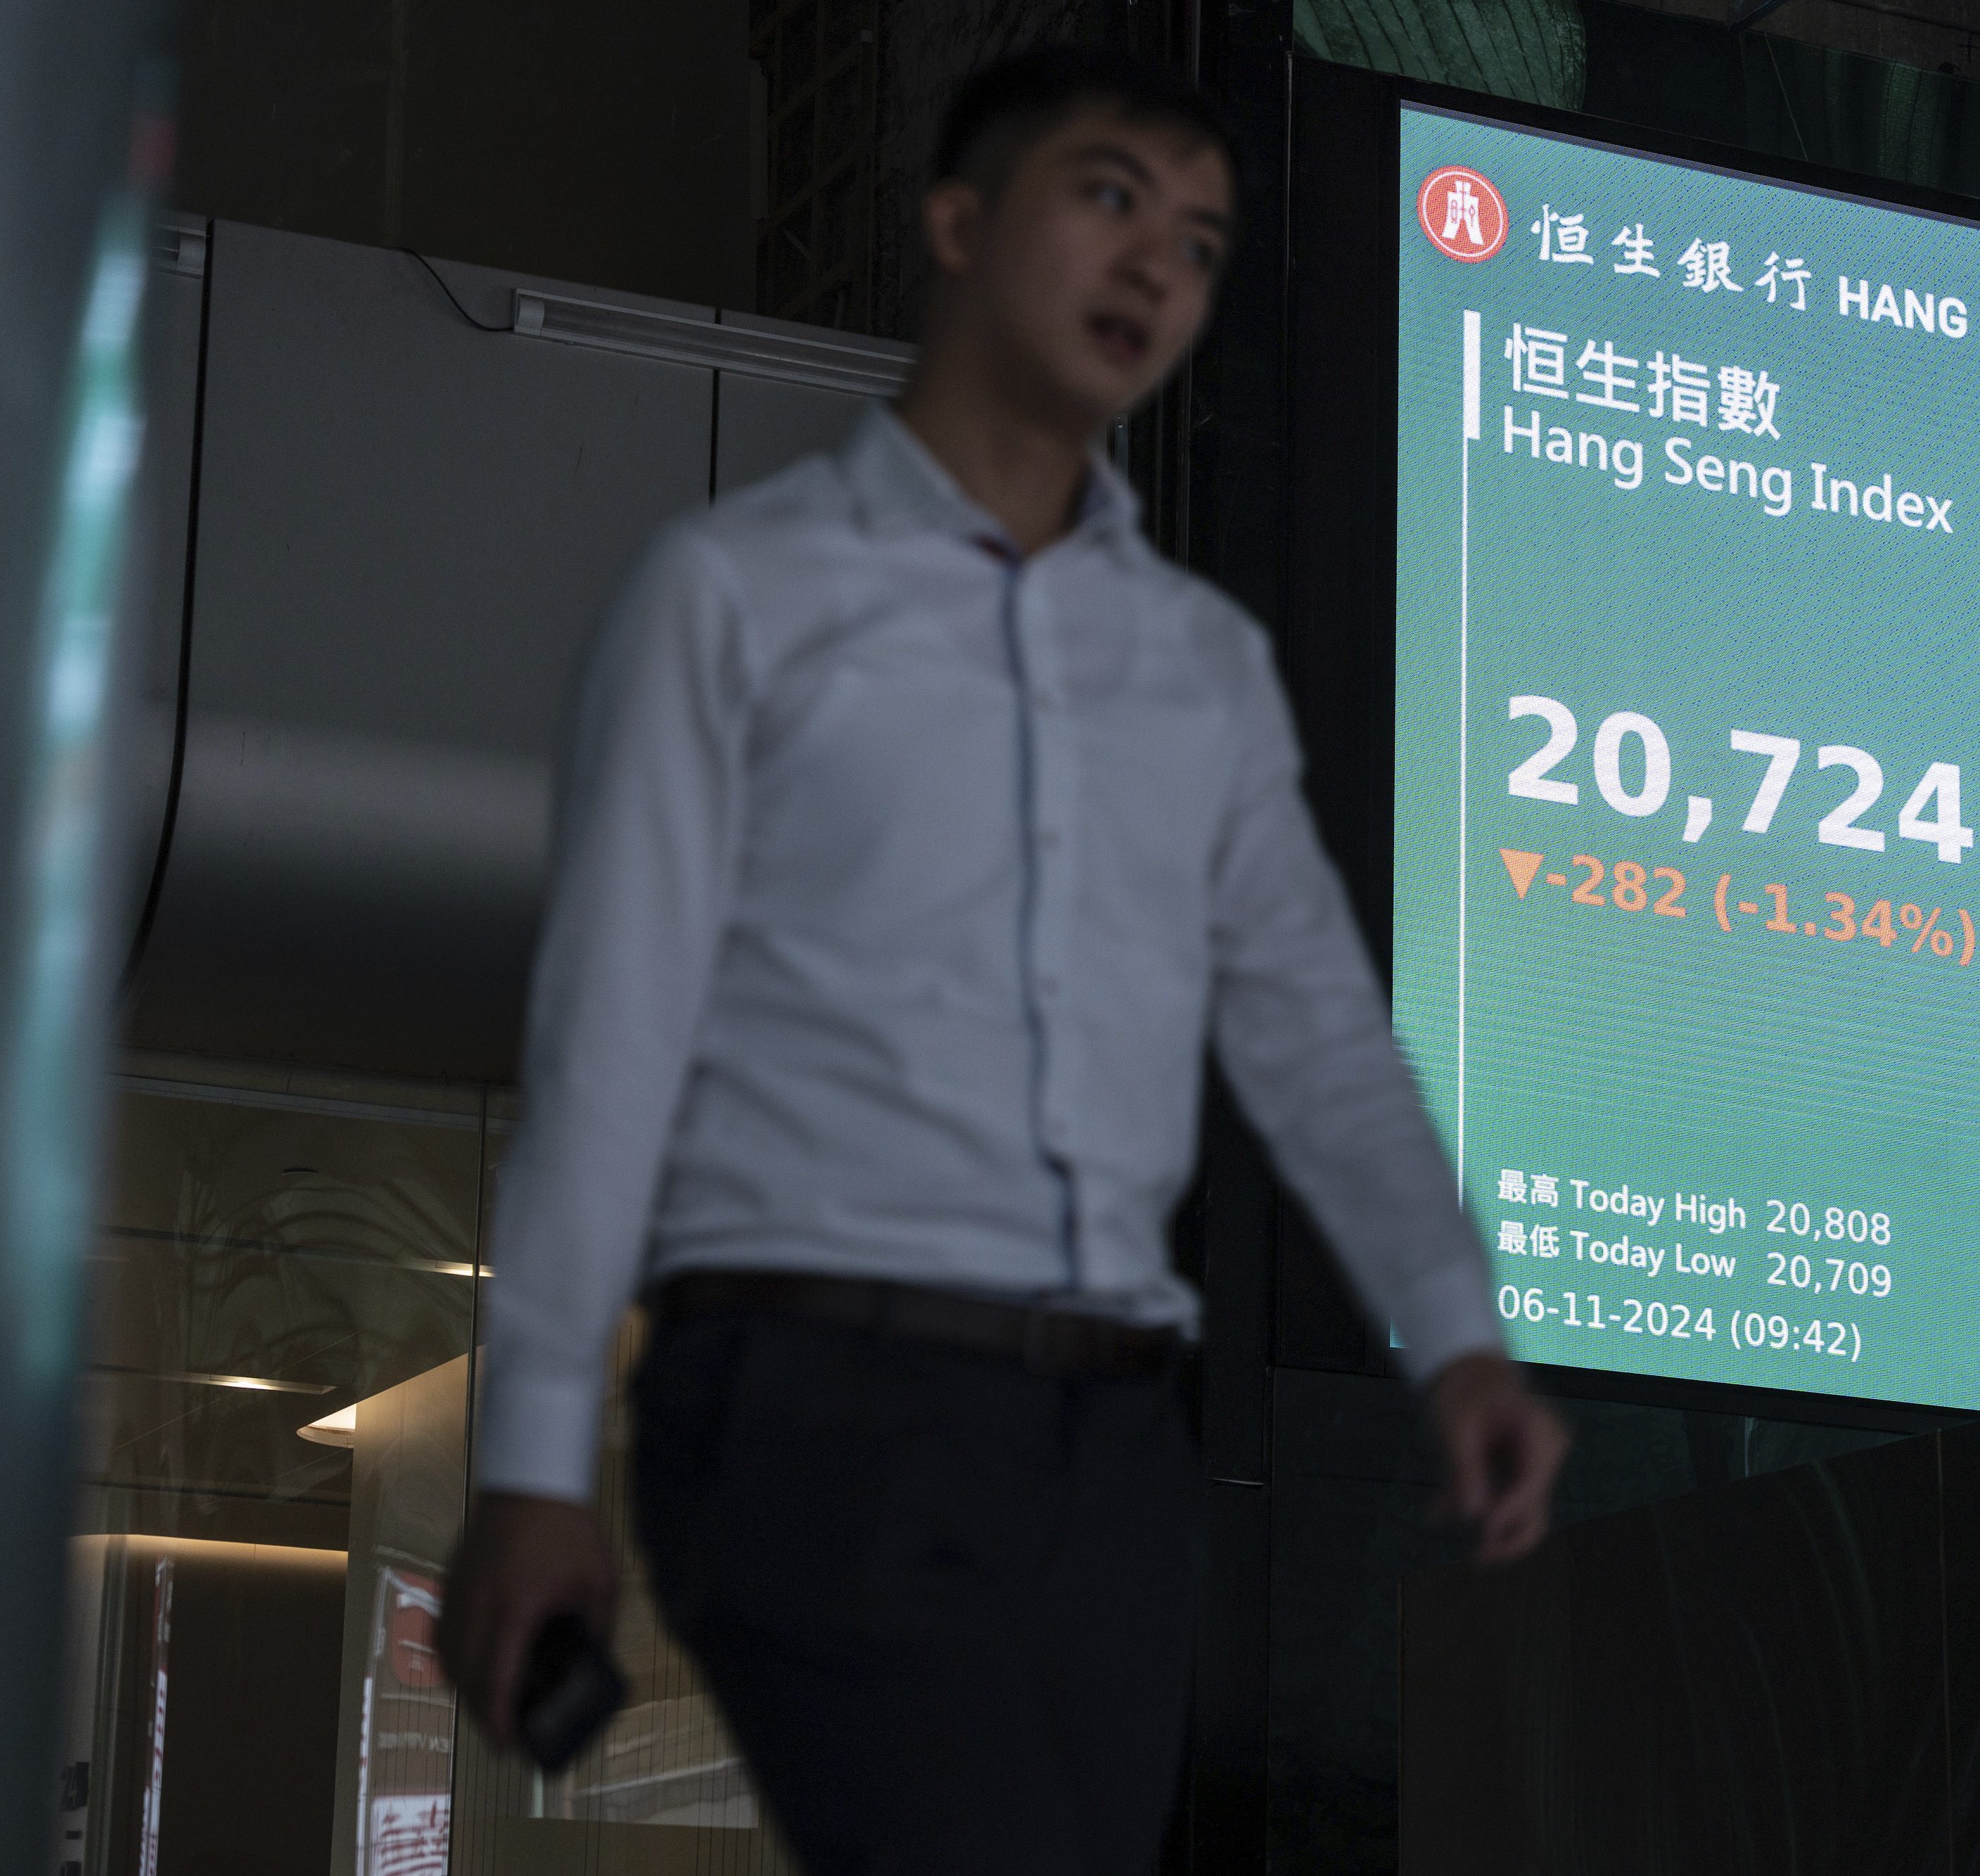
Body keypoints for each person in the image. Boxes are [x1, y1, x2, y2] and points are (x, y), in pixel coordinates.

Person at [437, 44, 1569, 1875]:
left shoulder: (1198, 662)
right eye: (1109, 197)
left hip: (1117, 1449)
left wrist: (1457, 1333)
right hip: (815, 1407)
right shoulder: (736, 596)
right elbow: (612, 1032)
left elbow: (1313, 1033)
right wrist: (532, 1460)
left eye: (1201, 242)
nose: (1157, 270)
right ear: (958, 222)